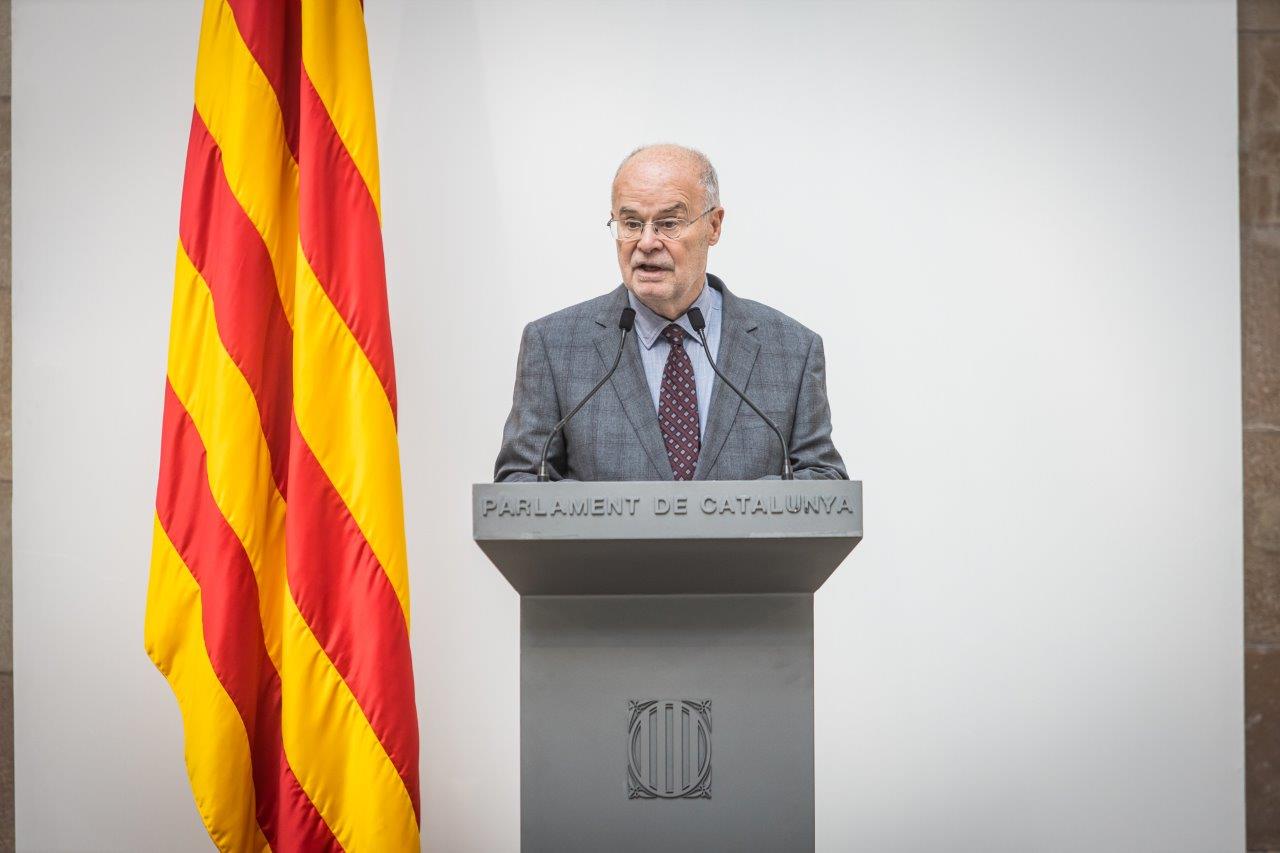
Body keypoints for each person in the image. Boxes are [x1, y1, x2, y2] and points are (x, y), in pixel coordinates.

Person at [494, 144, 846, 482]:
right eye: (631, 224)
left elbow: (824, 481)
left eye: (669, 223)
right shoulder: (554, 347)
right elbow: (521, 482)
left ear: (714, 226)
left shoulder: (791, 350)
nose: (646, 243)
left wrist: (732, 509)